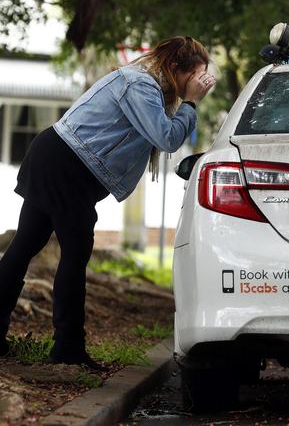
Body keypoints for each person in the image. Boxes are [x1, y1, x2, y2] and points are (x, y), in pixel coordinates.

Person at [0, 36, 216, 370]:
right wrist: (190, 103)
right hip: (65, 164)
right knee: (74, 253)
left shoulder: (147, 87)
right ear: (176, 68)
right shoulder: (140, 86)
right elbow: (167, 138)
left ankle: (45, 343)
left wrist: (186, 99)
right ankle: (67, 349)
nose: (200, 86)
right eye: (196, 77)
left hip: (59, 159)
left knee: (25, 246)